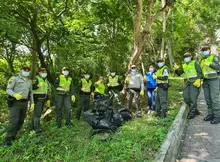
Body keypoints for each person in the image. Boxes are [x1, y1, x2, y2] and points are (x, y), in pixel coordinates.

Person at [3, 66, 34, 146]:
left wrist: (32, 103)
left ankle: (13, 135)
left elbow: (31, 92)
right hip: (15, 102)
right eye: (25, 70)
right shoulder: (14, 79)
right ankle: (7, 140)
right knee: (14, 121)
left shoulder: (29, 81)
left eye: (28, 71)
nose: (26, 72)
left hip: (24, 103)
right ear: (21, 70)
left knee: (21, 121)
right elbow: (8, 89)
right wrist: (14, 94)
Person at [173, 53, 202, 119]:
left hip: (194, 82)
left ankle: (192, 113)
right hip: (187, 82)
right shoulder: (184, 65)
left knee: (192, 98)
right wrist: (176, 69)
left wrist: (198, 79)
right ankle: (195, 110)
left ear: (191, 57)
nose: (186, 58)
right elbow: (180, 73)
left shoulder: (195, 63)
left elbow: (200, 72)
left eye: (187, 57)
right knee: (186, 98)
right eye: (185, 57)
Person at [200, 46, 220, 124]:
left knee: (214, 99)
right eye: (203, 50)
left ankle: (217, 116)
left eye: (206, 50)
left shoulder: (214, 57)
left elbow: (218, 67)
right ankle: (210, 114)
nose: (204, 51)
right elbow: (201, 71)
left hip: (214, 80)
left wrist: (209, 64)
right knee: (208, 99)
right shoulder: (202, 60)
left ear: (209, 50)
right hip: (205, 81)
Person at [31, 68, 51, 134]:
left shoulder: (45, 80)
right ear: (39, 72)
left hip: (43, 99)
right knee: (37, 115)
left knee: (36, 114)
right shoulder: (36, 79)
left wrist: (48, 99)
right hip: (37, 99)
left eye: (45, 72)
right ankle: (37, 130)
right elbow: (31, 87)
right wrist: (37, 85)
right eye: (43, 72)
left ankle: (32, 128)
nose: (44, 73)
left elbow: (46, 91)